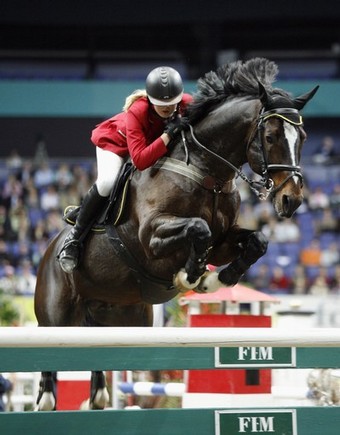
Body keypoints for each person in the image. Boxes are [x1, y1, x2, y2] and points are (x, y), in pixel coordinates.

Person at [58, 66, 193, 273]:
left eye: (172, 103)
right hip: (116, 144)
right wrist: (167, 136)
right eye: (161, 105)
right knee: (107, 182)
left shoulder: (186, 103)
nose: (168, 108)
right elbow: (139, 160)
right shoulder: (138, 110)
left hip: (147, 145)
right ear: (150, 100)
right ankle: (74, 238)